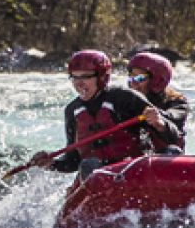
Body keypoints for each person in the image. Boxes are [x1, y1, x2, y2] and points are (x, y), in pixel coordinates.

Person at [29, 50, 175, 177]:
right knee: (88, 164)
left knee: (172, 151)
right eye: (75, 77)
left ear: (101, 77)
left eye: (86, 77)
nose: (79, 83)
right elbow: (73, 161)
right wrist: (51, 164)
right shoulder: (72, 111)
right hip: (97, 174)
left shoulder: (125, 97)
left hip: (133, 168)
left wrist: (160, 124)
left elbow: (172, 136)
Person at [126, 52, 189, 154]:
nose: (133, 83)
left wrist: (158, 119)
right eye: (131, 77)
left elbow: (172, 116)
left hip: (166, 155)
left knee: (172, 150)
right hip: (136, 156)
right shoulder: (126, 100)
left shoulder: (178, 102)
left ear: (157, 80)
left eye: (139, 78)